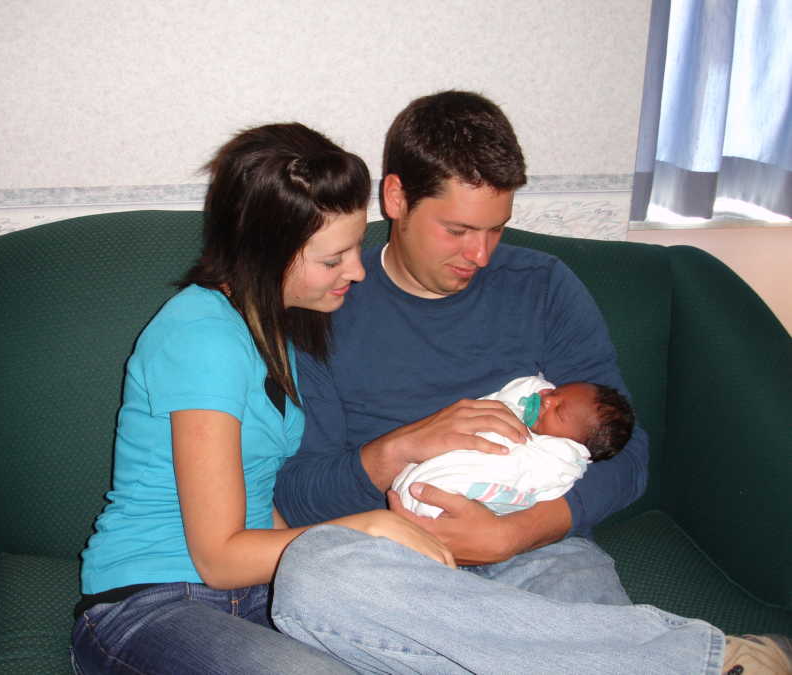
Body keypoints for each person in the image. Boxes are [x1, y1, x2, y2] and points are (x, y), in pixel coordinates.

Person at [271, 91, 791, 674]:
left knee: (570, 586)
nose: (482, 255)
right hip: (395, 561)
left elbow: (628, 451)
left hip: (540, 548)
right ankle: (704, 661)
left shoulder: (541, 286)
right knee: (312, 578)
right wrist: (399, 449)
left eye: (496, 230)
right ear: (395, 197)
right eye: (458, 229)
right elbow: (297, 495)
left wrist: (513, 535)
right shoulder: (324, 300)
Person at [70, 122, 457, 675]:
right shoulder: (202, 337)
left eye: (355, 247)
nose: (357, 270)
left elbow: (256, 505)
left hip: (254, 593)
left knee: (440, 636)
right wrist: (363, 529)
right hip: (149, 604)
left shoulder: (274, 328)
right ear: (265, 254)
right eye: (333, 259)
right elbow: (219, 555)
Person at [392, 374, 635, 518]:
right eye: (555, 392)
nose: (547, 399)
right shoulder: (528, 405)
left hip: (457, 504)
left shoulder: (557, 460)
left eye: (559, 411)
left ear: (575, 443)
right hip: (413, 482)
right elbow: (517, 392)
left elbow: (524, 475)